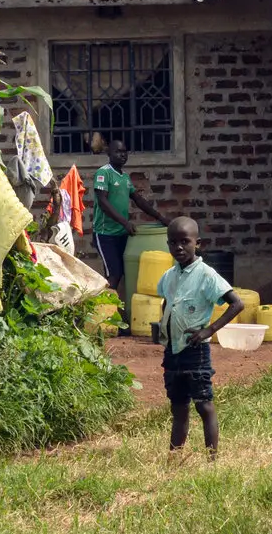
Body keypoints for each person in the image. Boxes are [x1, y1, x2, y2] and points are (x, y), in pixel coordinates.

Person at [155, 216, 241, 463]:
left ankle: (212, 459)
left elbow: (237, 303)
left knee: (203, 404)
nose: (179, 247)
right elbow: (166, 302)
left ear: (198, 243)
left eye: (185, 241)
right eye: (173, 243)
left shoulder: (206, 275)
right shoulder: (169, 276)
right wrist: (165, 327)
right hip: (173, 350)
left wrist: (208, 331)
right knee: (178, 407)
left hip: (196, 350)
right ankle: (175, 458)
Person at [89, 138, 170, 295]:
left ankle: (122, 311)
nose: (122, 155)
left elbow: (138, 200)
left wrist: (160, 218)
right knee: (114, 274)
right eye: (117, 152)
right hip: (105, 234)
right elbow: (103, 202)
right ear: (109, 153)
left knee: (127, 272)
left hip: (122, 234)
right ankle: (104, 312)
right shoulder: (103, 173)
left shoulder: (125, 177)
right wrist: (125, 222)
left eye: (124, 152)